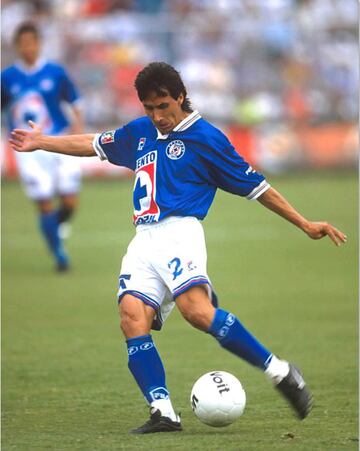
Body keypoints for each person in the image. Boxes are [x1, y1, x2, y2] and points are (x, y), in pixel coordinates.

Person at [10, 62, 347, 433]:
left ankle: (280, 372)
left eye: (164, 106)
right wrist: (42, 141)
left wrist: (304, 222)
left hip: (180, 233)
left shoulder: (207, 138)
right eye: (150, 108)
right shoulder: (140, 131)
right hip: (143, 240)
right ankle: (163, 412)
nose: (158, 116)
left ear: (180, 97)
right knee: (131, 315)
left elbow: (258, 188)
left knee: (197, 313)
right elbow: (92, 144)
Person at [2, 22, 83, 271]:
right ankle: (59, 255)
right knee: (44, 201)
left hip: (58, 142)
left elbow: (75, 100)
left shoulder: (55, 72)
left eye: (31, 42)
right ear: (17, 46)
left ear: (39, 43)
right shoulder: (6, 78)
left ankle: (53, 228)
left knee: (70, 202)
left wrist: (78, 126)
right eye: (23, 43)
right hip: (27, 149)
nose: (28, 47)